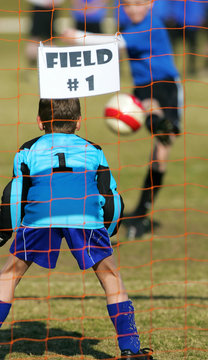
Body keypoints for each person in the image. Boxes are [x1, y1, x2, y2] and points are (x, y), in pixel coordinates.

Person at [0, 98, 156, 360]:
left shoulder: (26, 151)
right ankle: (131, 348)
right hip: (85, 218)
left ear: (40, 122)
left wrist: (4, 231)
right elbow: (110, 194)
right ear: (79, 121)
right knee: (110, 276)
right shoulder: (93, 150)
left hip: (40, 217)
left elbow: (15, 194)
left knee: (9, 275)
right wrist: (109, 227)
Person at [63, 0, 183, 239]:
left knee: (160, 153)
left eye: (138, 3)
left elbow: (116, 43)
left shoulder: (152, 25)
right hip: (142, 88)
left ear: (150, 4)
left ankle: (140, 214)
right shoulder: (129, 24)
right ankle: (157, 123)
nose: (133, 9)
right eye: (128, 4)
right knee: (157, 126)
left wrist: (78, 35)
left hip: (166, 86)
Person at [25, 0, 64, 66]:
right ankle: (32, 63)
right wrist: (43, 2)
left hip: (52, 9)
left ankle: (51, 62)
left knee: (50, 37)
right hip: (38, 9)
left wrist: (55, 2)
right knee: (35, 37)